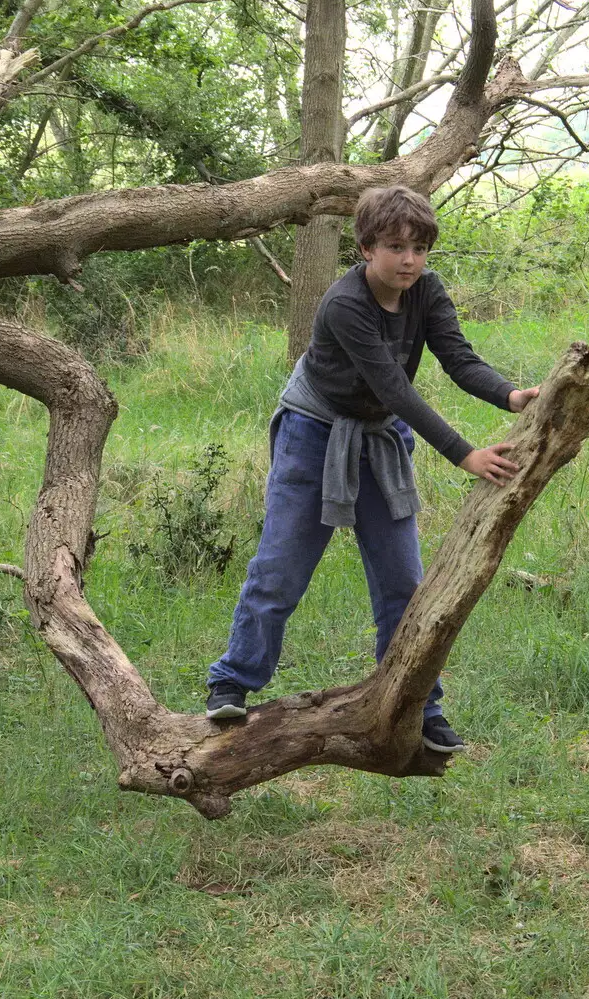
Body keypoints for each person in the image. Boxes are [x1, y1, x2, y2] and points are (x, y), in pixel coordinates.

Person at [203, 184, 539, 752]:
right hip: (313, 434)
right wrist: (464, 453)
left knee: (405, 586)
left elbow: (458, 358)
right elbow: (393, 385)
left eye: (419, 248)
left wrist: (509, 397)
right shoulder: (344, 304)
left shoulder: (427, 291)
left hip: (381, 437)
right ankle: (231, 683)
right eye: (394, 247)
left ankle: (416, 707)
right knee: (281, 568)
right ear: (365, 248)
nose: (409, 260)